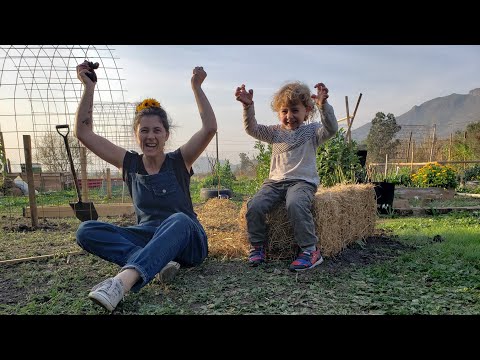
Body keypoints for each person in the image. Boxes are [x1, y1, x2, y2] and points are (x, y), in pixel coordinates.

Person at [74, 60, 217, 311]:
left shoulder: (180, 160)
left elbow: (209, 128)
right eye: (144, 131)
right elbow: (84, 134)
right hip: (148, 238)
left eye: (157, 131)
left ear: (166, 135)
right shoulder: (128, 162)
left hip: (189, 241)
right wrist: (88, 87)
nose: (150, 136)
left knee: (180, 219)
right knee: (86, 230)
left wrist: (196, 87)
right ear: (136, 134)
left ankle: (120, 283)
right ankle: (157, 264)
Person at [235, 80, 338, 271]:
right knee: (254, 205)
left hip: (302, 182)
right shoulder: (275, 133)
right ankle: (258, 246)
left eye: (295, 110)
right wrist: (248, 107)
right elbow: (252, 129)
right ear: (278, 113)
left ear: (307, 110)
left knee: (295, 204)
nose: (289, 116)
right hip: (274, 183)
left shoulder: (313, 131)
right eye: (284, 111)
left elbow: (332, 129)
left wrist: (324, 107)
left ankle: (310, 250)